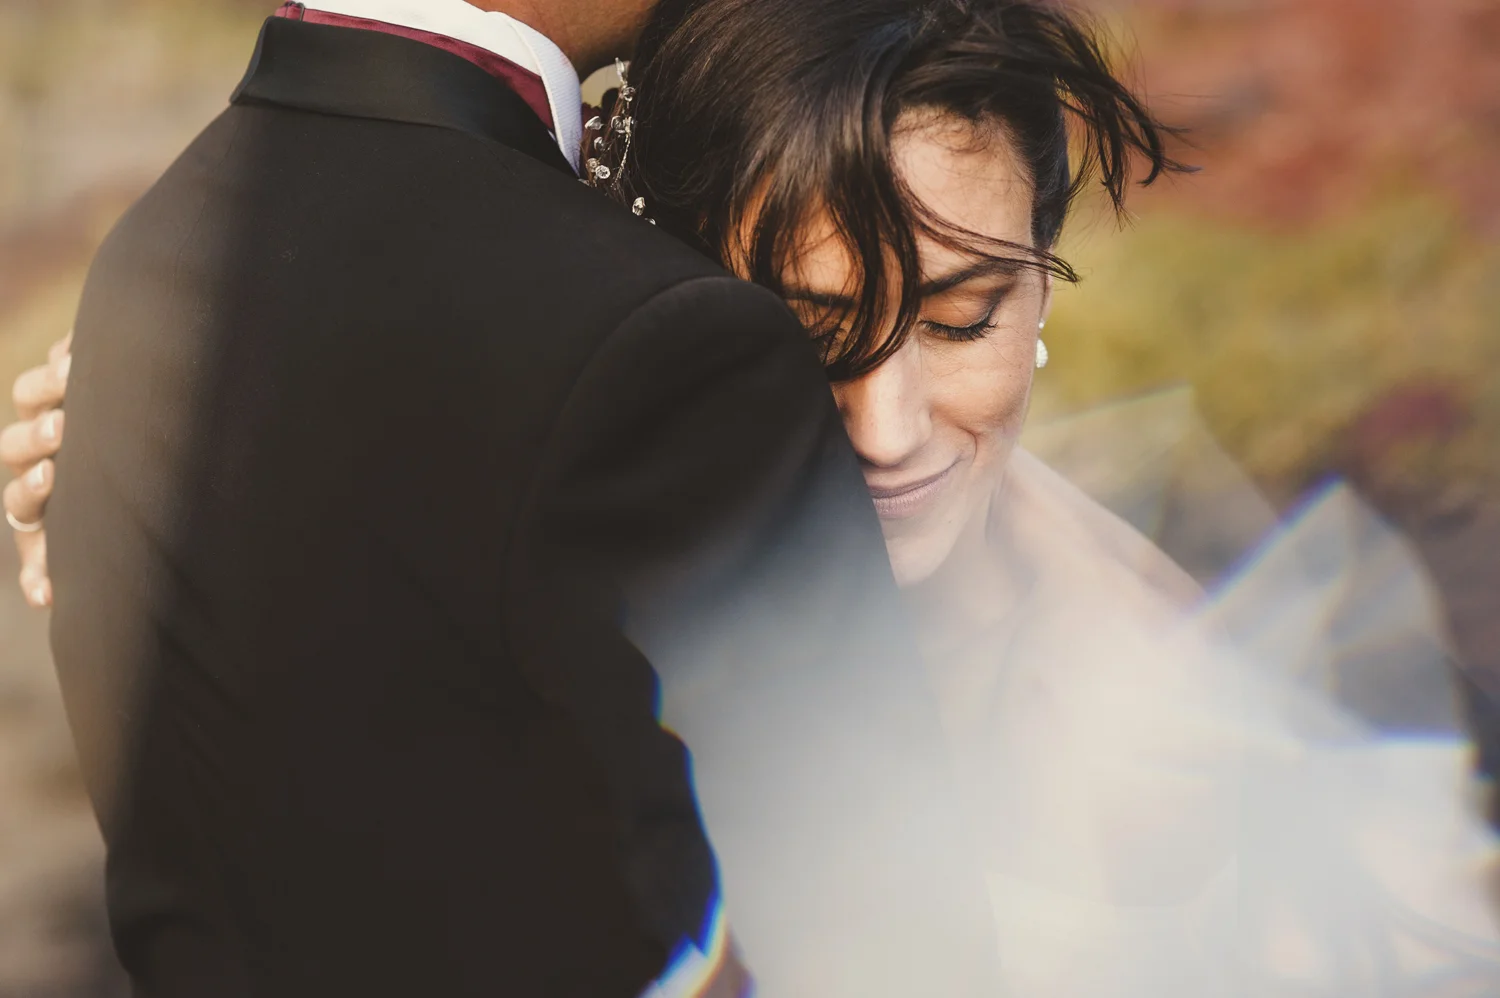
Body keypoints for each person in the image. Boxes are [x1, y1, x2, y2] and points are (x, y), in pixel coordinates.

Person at [10, 0, 1500, 993]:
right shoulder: (594, 522)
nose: (890, 424)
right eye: (799, 340)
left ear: (1046, 292)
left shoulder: (1167, 733)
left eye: (969, 318)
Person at [0, 1, 1003, 996]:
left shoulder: (148, 256)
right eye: (826, 333)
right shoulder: (657, 337)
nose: (888, 418)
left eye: (964, 313)